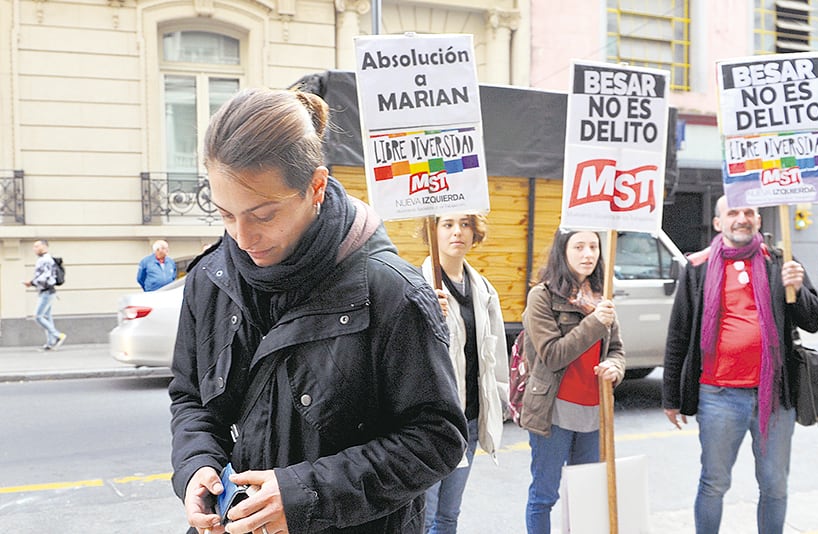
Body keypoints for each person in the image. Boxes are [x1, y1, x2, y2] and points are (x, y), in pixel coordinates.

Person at [168, 88, 467, 534]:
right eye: (225, 214)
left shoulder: (392, 290)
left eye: (264, 214)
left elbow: (436, 439)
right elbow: (191, 399)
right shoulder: (210, 278)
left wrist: (303, 494)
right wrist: (195, 465)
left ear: (316, 187)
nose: (243, 237)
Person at [662, 195, 818, 534]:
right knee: (714, 484)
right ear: (719, 222)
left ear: (759, 220)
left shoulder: (782, 262)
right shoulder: (699, 267)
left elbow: (813, 321)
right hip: (718, 396)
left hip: (775, 397)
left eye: (749, 212)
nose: (742, 218)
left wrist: (798, 289)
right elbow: (678, 333)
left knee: (775, 486)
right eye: (732, 212)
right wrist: (671, 397)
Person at [520, 229, 625, 534]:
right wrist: (594, 322)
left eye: (593, 246)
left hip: (594, 413)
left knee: (585, 495)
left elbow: (616, 349)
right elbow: (553, 355)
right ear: (562, 252)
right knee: (545, 495)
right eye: (579, 246)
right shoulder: (542, 296)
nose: (588, 254)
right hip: (554, 412)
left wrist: (615, 367)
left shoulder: (601, 295)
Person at [418, 213, 509, 534]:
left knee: (448, 516)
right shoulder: (415, 285)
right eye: (448, 224)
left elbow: (494, 355)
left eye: (465, 224)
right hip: (429, 424)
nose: (458, 232)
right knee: (423, 516)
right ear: (433, 231)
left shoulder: (483, 288)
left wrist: (499, 402)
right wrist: (427, 313)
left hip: (466, 420)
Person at [22, 239, 66, 350]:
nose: (34, 249)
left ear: (44, 247)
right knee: (47, 317)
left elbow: (46, 277)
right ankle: (50, 343)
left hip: (47, 291)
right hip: (48, 291)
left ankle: (57, 335)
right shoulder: (45, 259)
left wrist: (31, 283)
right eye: (34, 246)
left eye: (37, 246)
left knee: (38, 317)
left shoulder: (45, 260)